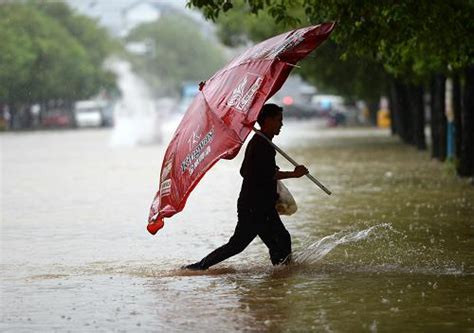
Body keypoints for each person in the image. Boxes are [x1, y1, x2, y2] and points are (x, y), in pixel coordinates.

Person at [183, 103, 308, 270]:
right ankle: (198, 267)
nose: (281, 124)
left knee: (279, 240)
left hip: (259, 206)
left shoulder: (262, 143)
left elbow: (246, 172)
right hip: (255, 208)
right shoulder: (261, 144)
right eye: (279, 120)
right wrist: (294, 173)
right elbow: (266, 174)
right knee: (241, 244)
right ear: (268, 120)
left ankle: (280, 276)